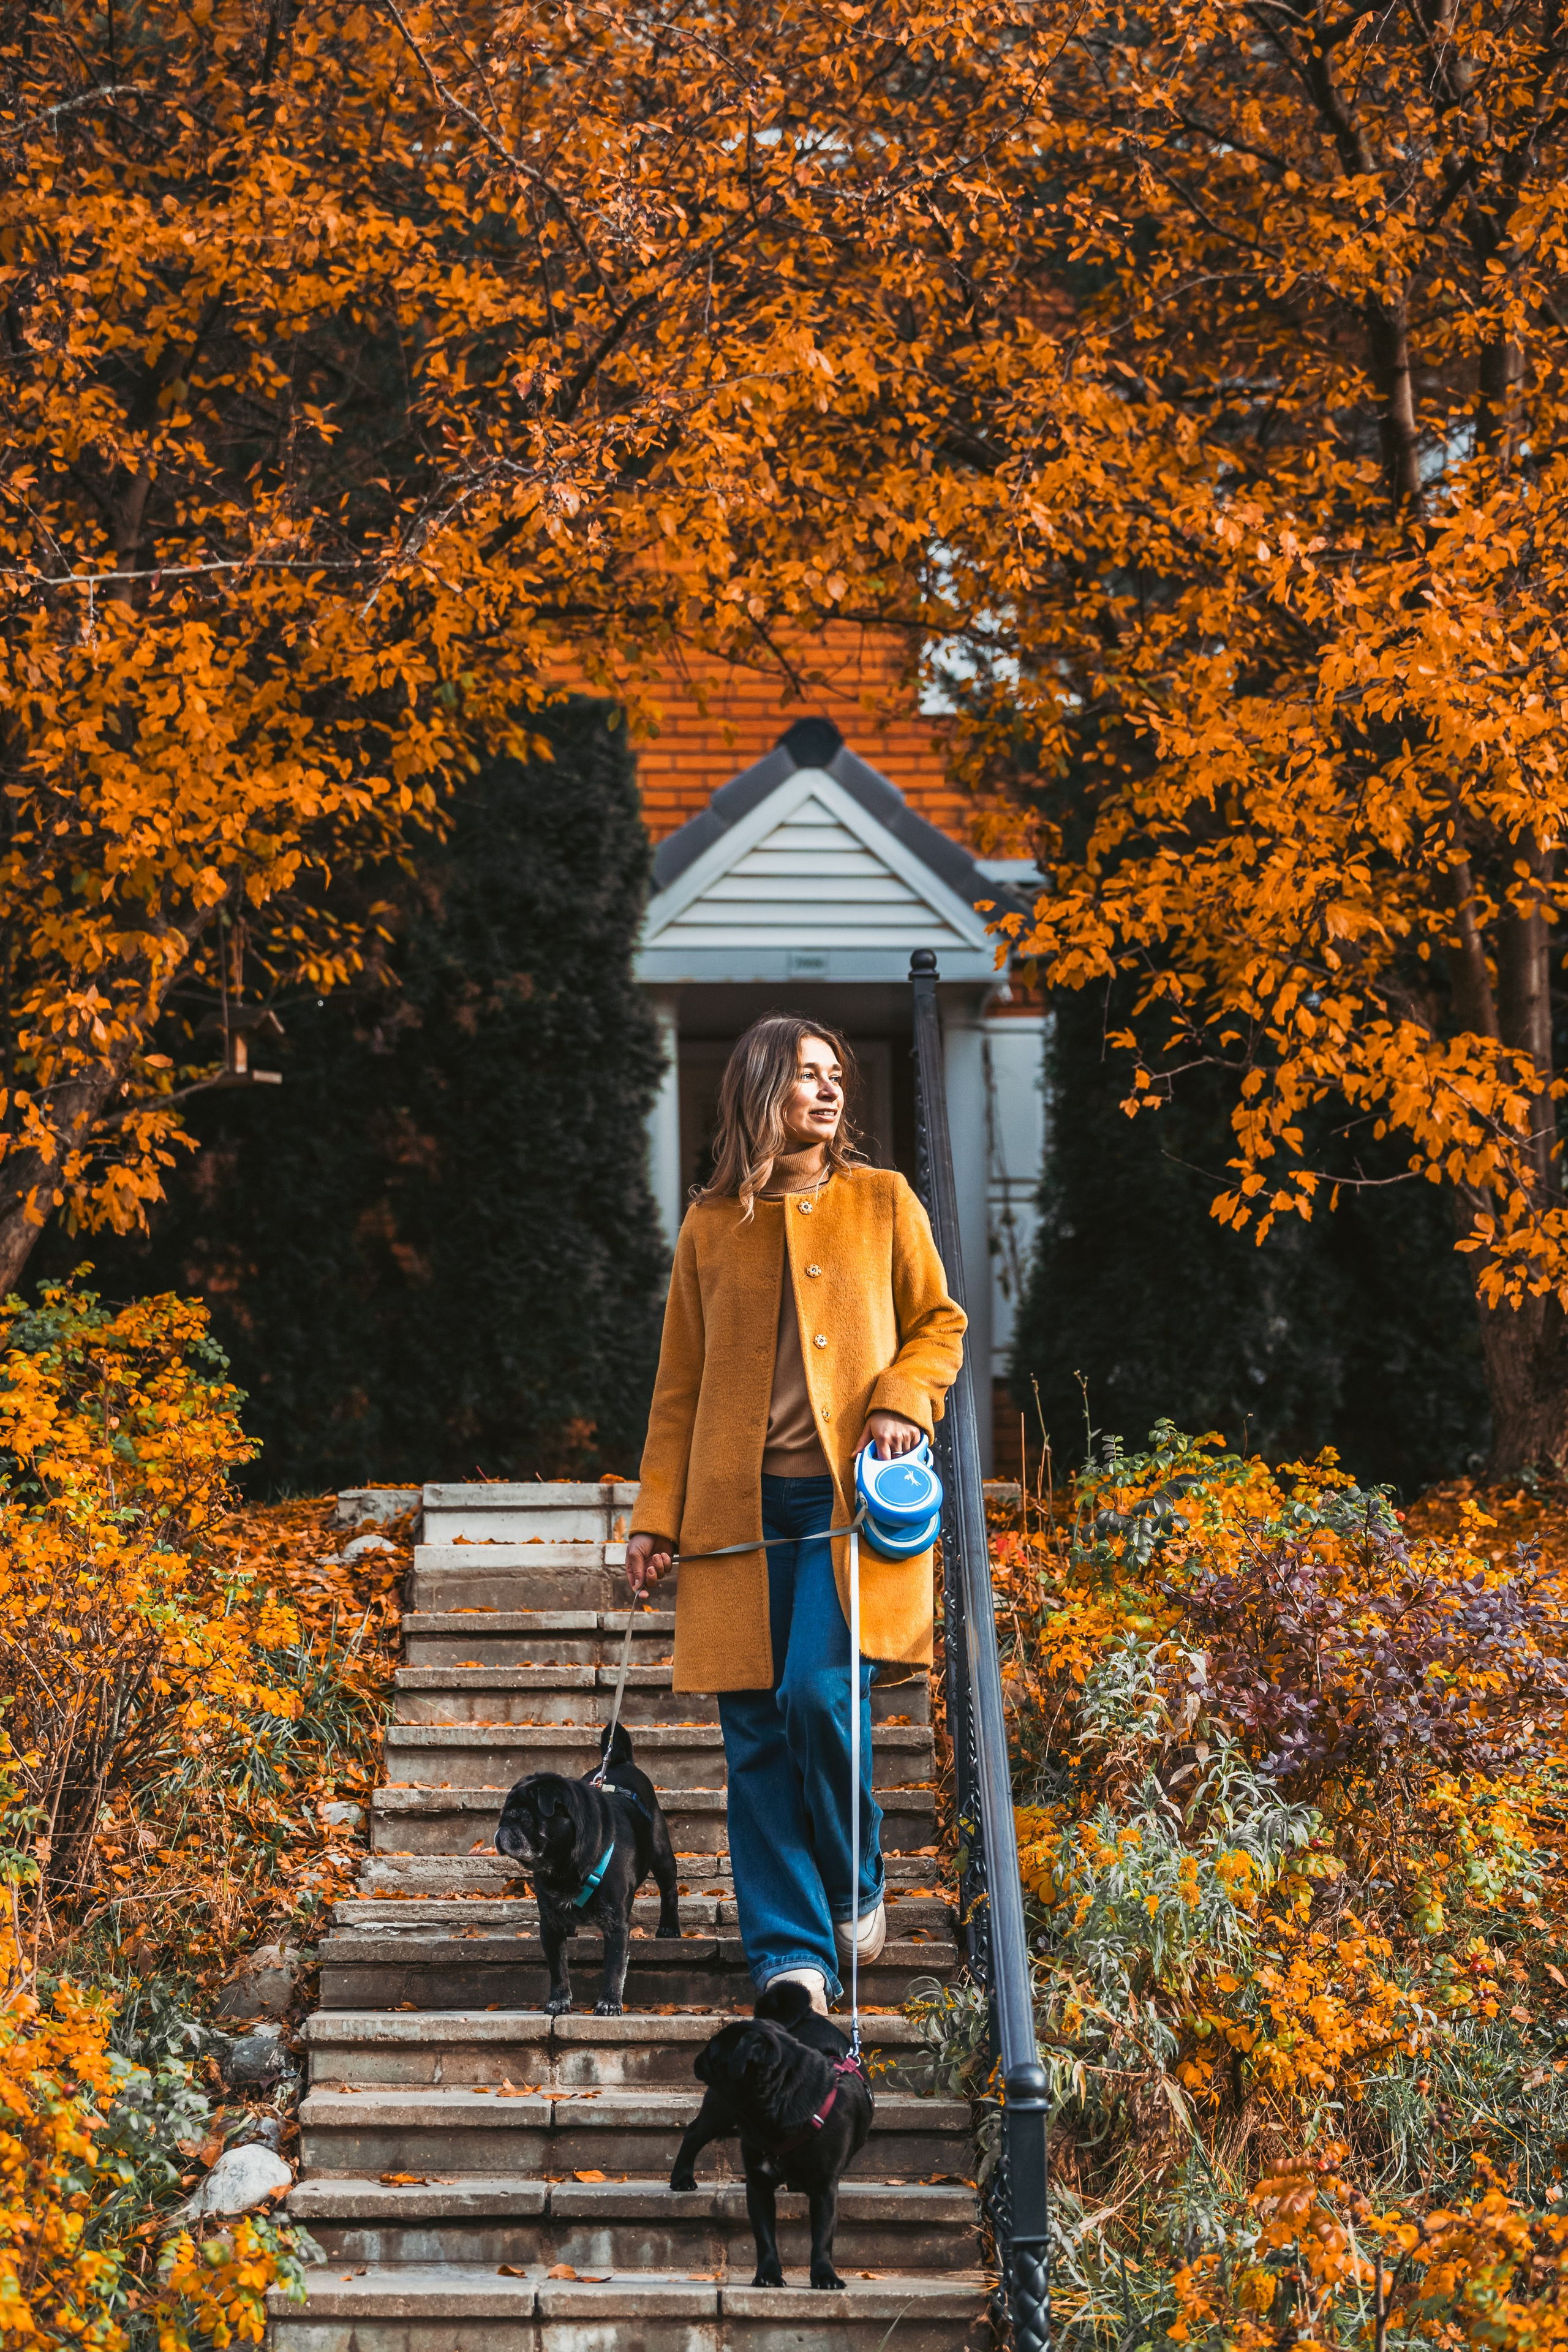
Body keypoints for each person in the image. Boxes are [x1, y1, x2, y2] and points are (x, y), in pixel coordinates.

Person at [626, 1015, 966, 2015]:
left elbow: (940, 1323)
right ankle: (790, 1955)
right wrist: (656, 1518)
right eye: (804, 1077)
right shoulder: (708, 1227)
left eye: (834, 1077)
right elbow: (677, 1386)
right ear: (758, 1093)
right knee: (755, 1734)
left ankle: (857, 1876)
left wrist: (903, 1402)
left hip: (843, 1502)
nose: (826, 1093)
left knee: (820, 1696)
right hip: (735, 1510)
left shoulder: (881, 1200)